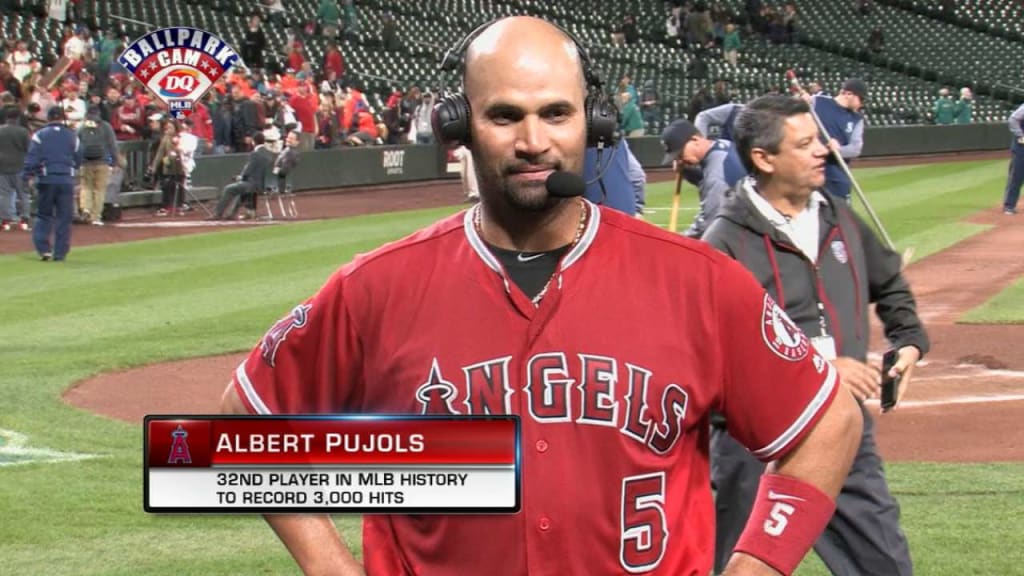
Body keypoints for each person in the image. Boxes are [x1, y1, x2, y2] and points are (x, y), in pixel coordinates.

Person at [219, 16, 862, 576]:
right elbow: (240, 425)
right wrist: (330, 565)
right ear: (459, 125)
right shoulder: (377, 289)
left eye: (556, 113)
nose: (533, 140)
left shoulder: (698, 281)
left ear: (594, 122)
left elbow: (828, 422)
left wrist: (756, 566)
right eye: (504, 115)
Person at [702, 94, 929, 576]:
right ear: (764, 159)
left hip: (841, 431)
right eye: (805, 144)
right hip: (753, 448)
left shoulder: (838, 218)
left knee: (884, 564)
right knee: (738, 569)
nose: (822, 151)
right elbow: (714, 359)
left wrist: (907, 340)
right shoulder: (724, 244)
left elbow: (888, 281)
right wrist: (819, 370)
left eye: (819, 140)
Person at [661, 118, 747, 238]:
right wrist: (686, 171)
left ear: (695, 139)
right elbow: (707, 180)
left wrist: (678, 239)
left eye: (680, 154)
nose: (679, 160)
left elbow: (709, 225)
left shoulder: (716, 174)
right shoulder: (722, 145)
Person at [22, 106, 80, 261]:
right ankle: (60, 252)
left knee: (44, 215)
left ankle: (44, 249)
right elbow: (79, 158)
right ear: (62, 118)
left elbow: (32, 158)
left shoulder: (39, 135)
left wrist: (27, 176)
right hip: (66, 179)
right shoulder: (72, 136)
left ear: (48, 118)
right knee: (64, 217)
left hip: (46, 179)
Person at [810, 78, 866, 203]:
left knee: (842, 219)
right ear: (849, 94)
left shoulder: (857, 119)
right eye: (861, 99)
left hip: (837, 176)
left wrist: (837, 150)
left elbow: (855, 149)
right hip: (810, 172)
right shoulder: (818, 102)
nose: (861, 104)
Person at [210, 131, 274, 220]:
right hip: (266, 185)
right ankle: (233, 213)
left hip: (254, 185)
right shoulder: (269, 153)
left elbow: (247, 171)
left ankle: (217, 213)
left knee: (229, 189)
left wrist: (239, 177)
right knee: (241, 188)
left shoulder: (255, 154)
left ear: (253, 141)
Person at [582, 136, 646, 217]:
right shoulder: (615, 134)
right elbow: (637, 176)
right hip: (624, 213)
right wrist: (637, 210)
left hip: (585, 215)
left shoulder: (571, 136)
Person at [76, 105, 118, 226]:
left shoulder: (82, 126)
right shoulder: (105, 126)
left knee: (86, 187)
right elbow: (113, 145)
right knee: (99, 189)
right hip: (102, 162)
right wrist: (115, 161)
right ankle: (96, 216)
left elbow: (76, 144)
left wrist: (77, 161)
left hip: (85, 162)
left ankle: (86, 209)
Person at [0, 107, 30, 231]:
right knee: (23, 194)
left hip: (2, 167)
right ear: (17, 118)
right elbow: (28, 149)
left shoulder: (0, 131)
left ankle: (5, 221)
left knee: (4, 195)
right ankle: (24, 221)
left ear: (7, 118)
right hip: (20, 167)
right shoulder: (23, 131)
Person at [1001, 101, 1024, 215]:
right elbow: (1013, 119)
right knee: (1016, 177)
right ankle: (1009, 205)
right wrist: (1020, 134)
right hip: (1021, 147)